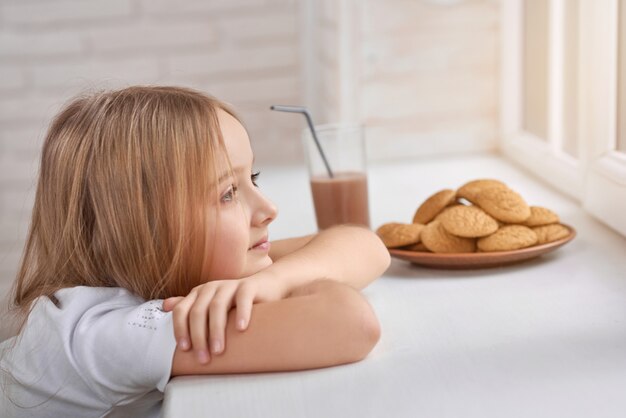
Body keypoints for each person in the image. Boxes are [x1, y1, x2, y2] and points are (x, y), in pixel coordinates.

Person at [0, 86, 390, 417]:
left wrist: (276, 280)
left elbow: (366, 245)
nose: (269, 209)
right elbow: (350, 324)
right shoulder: (104, 333)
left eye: (251, 178)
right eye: (227, 193)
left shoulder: (175, 272)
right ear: (144, 230)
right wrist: (283, 282)